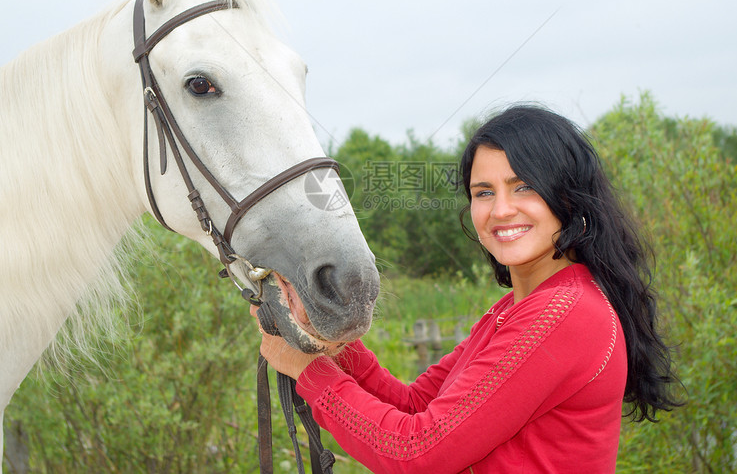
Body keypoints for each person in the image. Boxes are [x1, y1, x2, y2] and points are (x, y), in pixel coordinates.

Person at [254, 104, 682, 473]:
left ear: (568, 198)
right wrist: (327, 335)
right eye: (483, 192)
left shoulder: (563, 313)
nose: (501, 210)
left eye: (524, 187)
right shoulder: (519, 310)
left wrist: (308, 370)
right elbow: (415, 405)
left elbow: (416, 452)